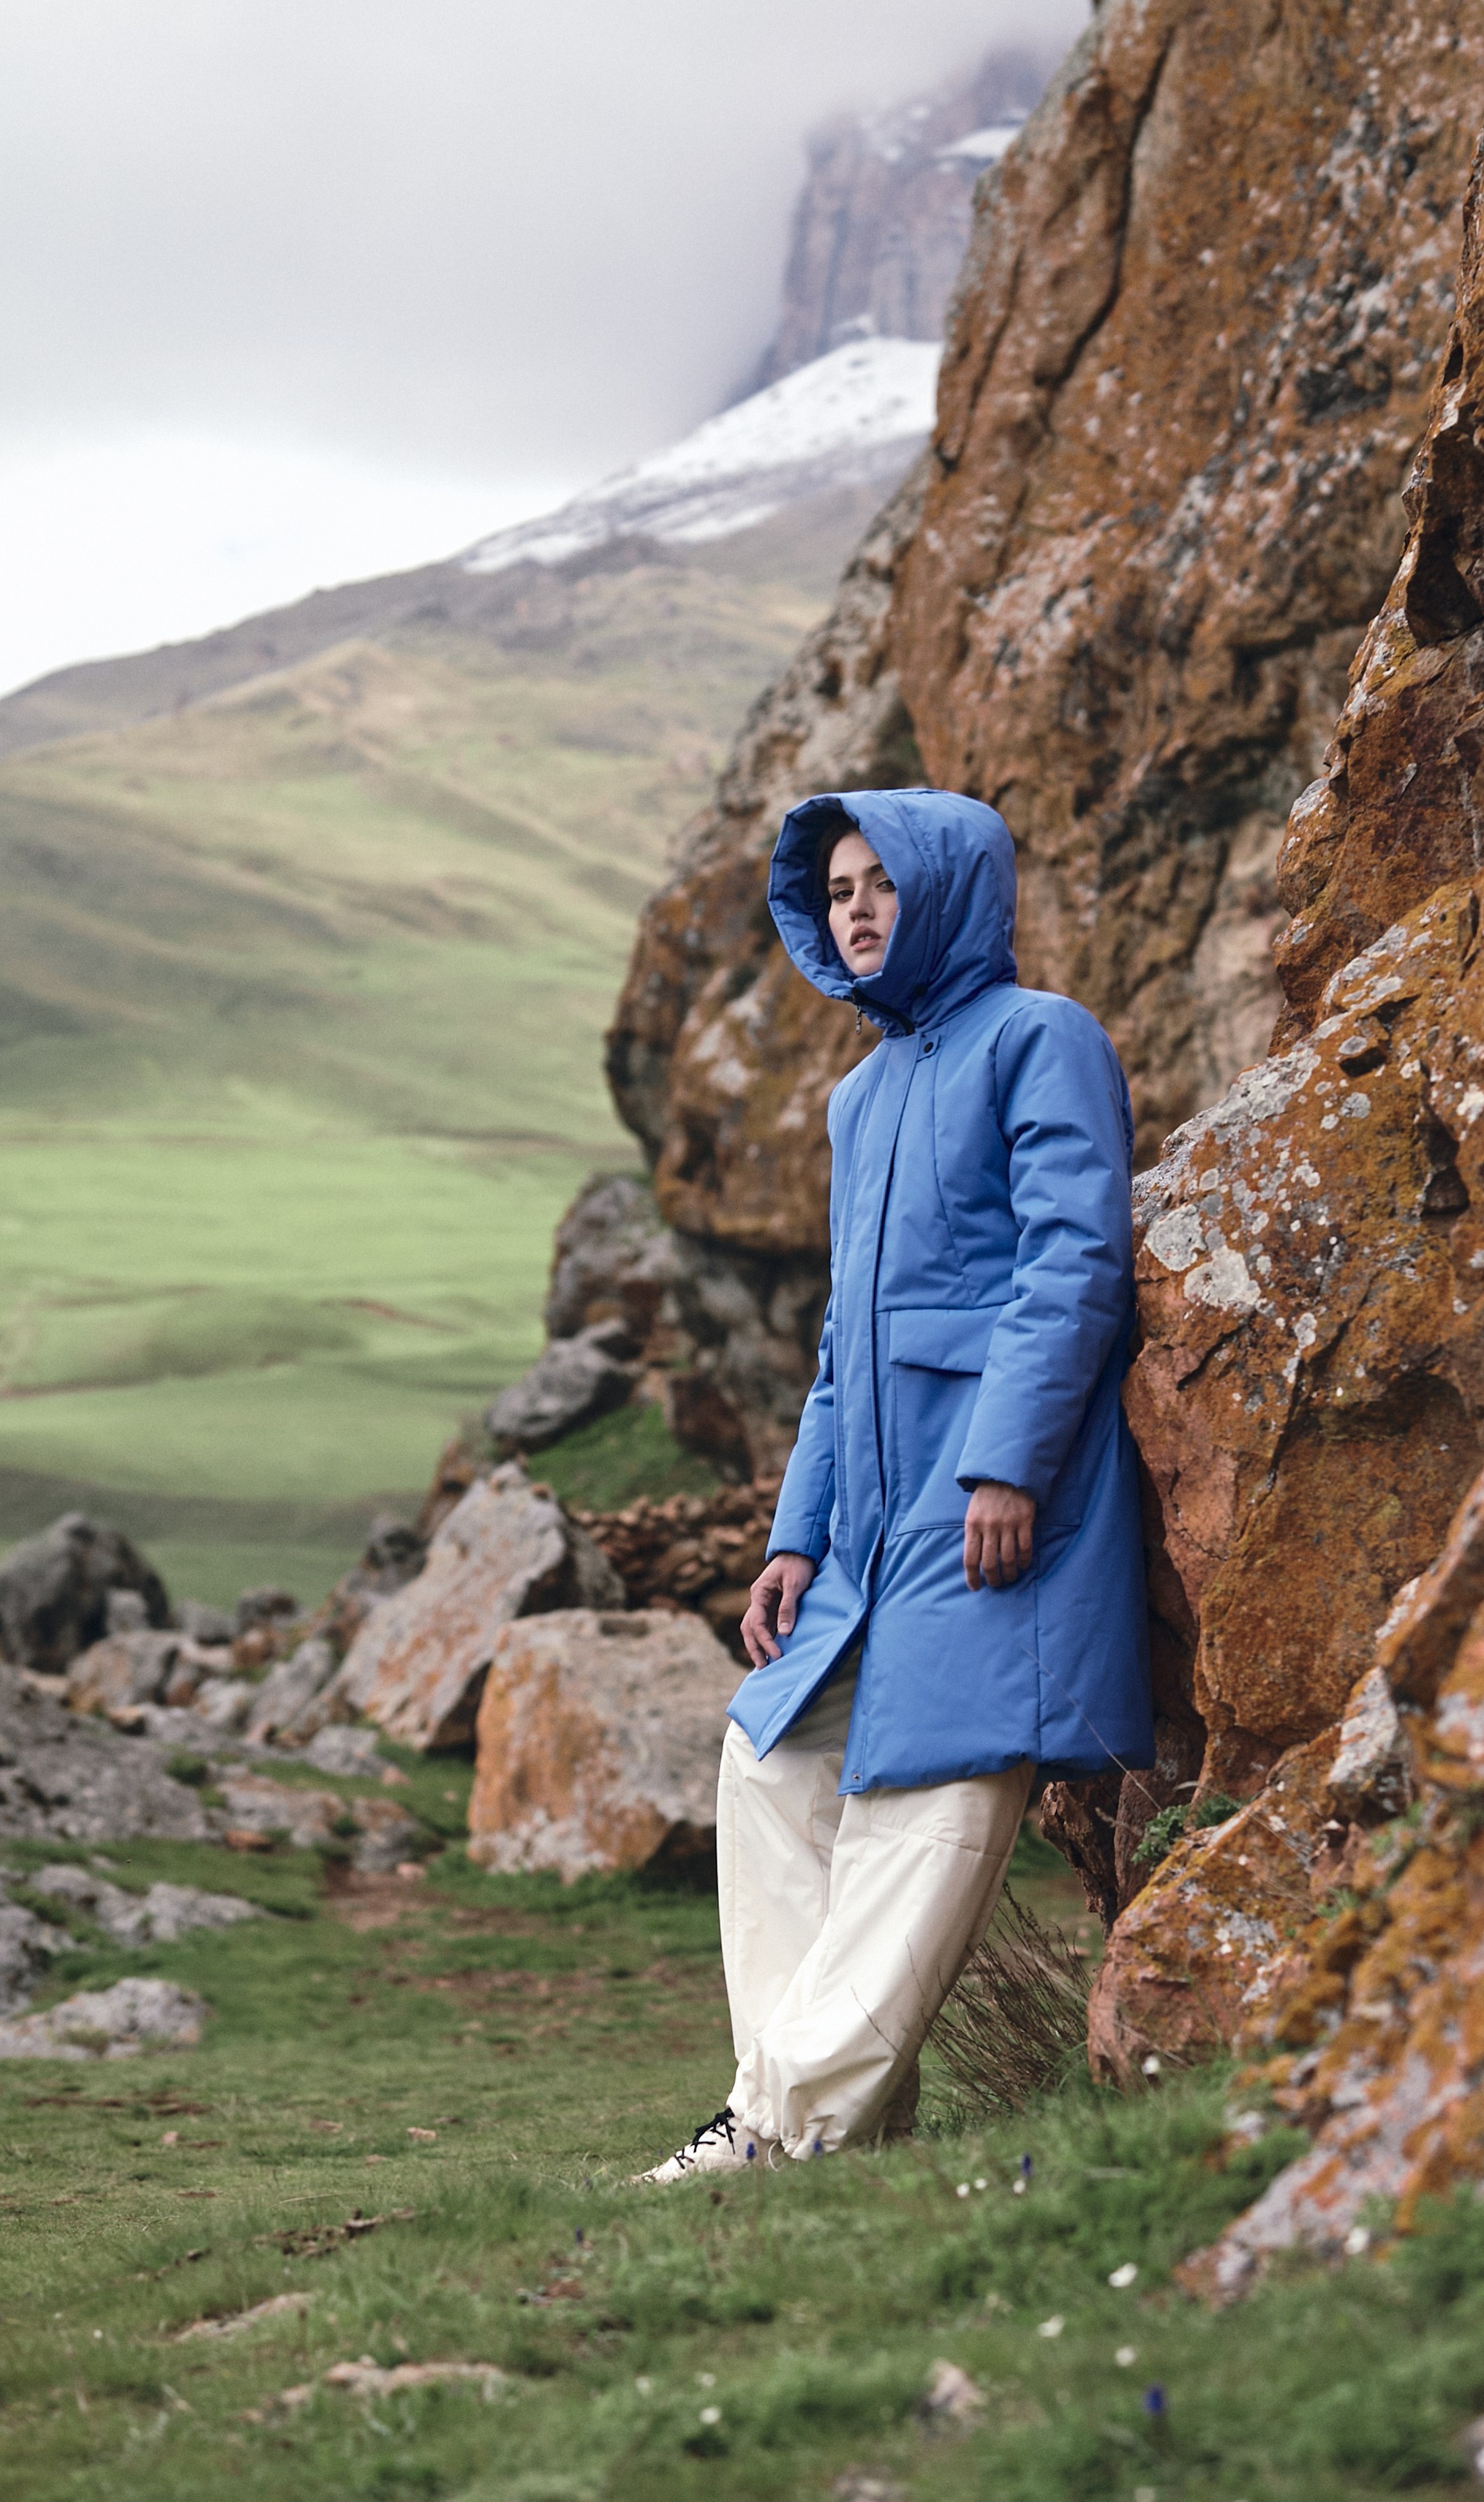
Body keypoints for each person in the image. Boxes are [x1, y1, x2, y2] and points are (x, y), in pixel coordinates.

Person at [640, 786, 1150, 2179]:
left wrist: (1008, 1463)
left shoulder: (1042, 1041)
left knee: (938, 1794)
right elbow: (838, 1340)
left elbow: (1072, 1262)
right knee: (769, 1759)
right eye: (839, 891)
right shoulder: (861, 1099)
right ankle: (807, 2111)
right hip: (864, 1518)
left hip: (991, 1498)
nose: (857, 909)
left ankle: (787, 2128)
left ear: (950, 890)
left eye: (883, 883)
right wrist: (795, 1534)